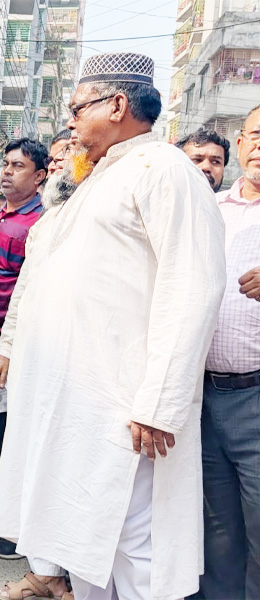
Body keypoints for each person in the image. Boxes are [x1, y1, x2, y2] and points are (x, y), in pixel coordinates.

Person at [0, 52, 226, 600]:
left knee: (134, 547)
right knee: (86, 543)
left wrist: (160, 402)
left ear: (117, 104)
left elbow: (193, 285)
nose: (70, 121)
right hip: (75, 402)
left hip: (126, 406)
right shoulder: (97, 180)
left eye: (77, 108)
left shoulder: (165, 170)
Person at [0, 135, 86, 600]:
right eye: (57, 154)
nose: (61, 159)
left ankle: (68, 580)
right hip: (34, 361)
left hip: (81, 369)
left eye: (70, 151)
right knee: (32, 464)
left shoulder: (93, 211)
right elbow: (23, 293)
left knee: (68, 470)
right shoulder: (47, 223)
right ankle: (45, 573)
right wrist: (7, 349)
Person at [0, 138, 47, 564]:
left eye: (18, 166)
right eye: (5, 164)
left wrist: (9, 345)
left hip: (10, 342)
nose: (6, 171)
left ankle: (6, 514)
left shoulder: (40, 222)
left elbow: (26, 289)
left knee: (6, 431)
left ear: (39, 177)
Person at [196, 103, 260, 600]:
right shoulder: (210, 210)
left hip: (256, 394)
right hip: (203, 394)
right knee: (216, 528)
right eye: (255, 134)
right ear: (238, 143)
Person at [175, 127, 230, 192]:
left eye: (215, 162)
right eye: (197, 160)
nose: (206, 167)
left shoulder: (227, 201)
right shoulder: (163, 200)